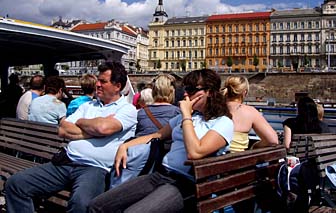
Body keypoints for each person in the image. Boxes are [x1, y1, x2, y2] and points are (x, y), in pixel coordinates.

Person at [88, 69, 233, 213]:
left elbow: (195, 152)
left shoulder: (223, 122)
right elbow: (157, 135)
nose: (186, 94)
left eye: (191, 90)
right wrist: (125, 145)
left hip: (187, 184)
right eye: (184, 89)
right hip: (162, 174)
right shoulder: (187, 117)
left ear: (209, 92)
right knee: (97, 205)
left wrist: (187, 116)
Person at [5, 61, 138, 213]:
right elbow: (63, 129)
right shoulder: (87, 106)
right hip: (66, 161)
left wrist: (81, 122)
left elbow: (104, 128)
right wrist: (93, 129)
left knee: (82, 204)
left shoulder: (128, 109)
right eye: (98, 80)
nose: (98, 85)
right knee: (16, 184)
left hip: (95, 168)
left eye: (103, 81)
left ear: (118, 86)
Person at [110, 74, 180, 188]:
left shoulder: (141, 112)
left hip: (137, 154)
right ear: (171, 92)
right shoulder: (177, 113)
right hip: (160, 160)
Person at [221, 75, 278, 152]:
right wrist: (255, 146)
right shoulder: (250, 112)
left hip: (212, 161)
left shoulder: (214, 109)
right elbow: (273, 140)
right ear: (244, 92)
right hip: (238, 161)